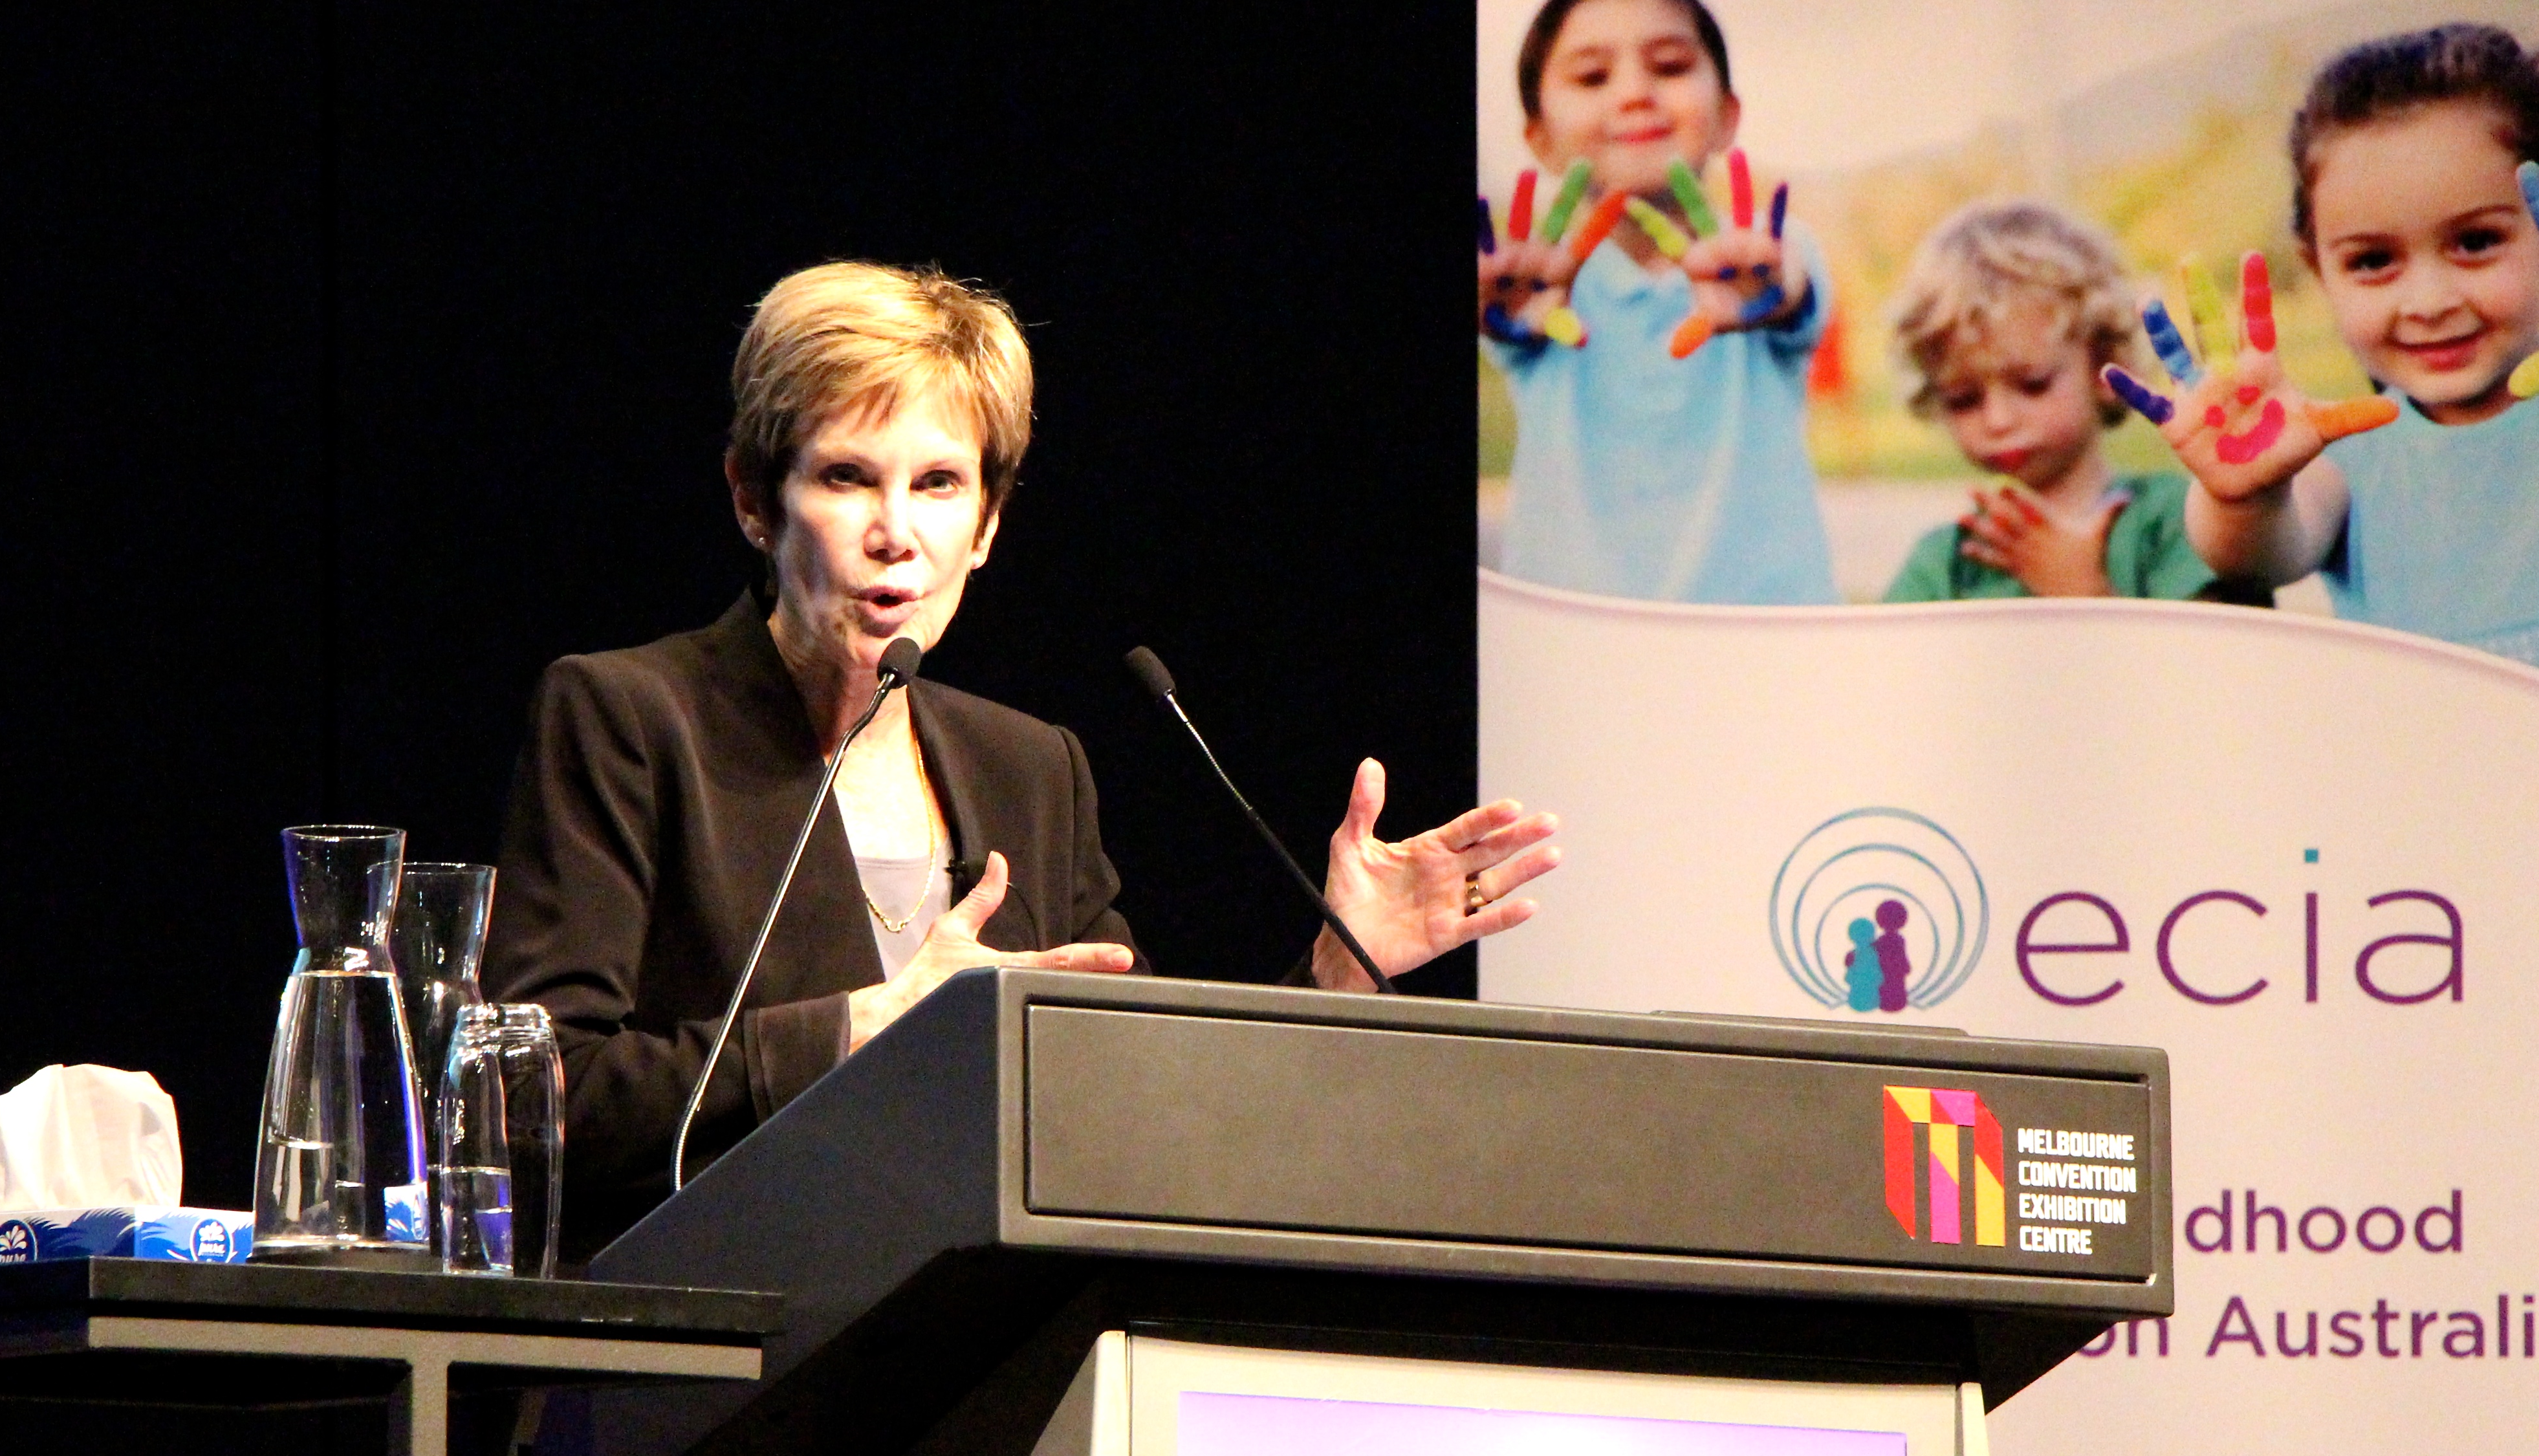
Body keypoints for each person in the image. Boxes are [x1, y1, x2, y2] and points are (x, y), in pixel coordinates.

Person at [486, 261, 1565, 1264]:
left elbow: (1131, 1101)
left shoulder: (1029, 769)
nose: (895, 532)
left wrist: (1331, 979)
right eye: (848, 478)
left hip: (976, 1374)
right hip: (711, 1370)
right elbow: (540, 1095)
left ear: (989, 524)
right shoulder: (631, 716)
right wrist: (864, 1026)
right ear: (754, 500)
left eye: (941, 484)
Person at [2109, 23, 2539, 754]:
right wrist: (2241, 491)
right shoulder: (2340, 463)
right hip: (2448, 857)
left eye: (2475, 242)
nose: (2429, 298)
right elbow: (2259, 554)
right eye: (2374, 261)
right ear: (2317, 267)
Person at [1477, 0, 1838, 603]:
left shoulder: (1771, 254)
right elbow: (1507, 323)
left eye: (1669, 66)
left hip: (1765, 638)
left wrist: (1771, 291)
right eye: (1592, 77)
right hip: (1574, 641)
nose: (1634, 93)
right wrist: (1503, 317)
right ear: (1538, 140)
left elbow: (1791, 296)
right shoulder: (1532, 287)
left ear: (1726, 116)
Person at [1882, 200, 2263, 605]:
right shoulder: (1944, 564)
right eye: (1963, 400)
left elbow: (2222, 661)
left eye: (2033, 384)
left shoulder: (2180, 520)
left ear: (2105, 364)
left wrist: (2087, 594)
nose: (1998, 420)